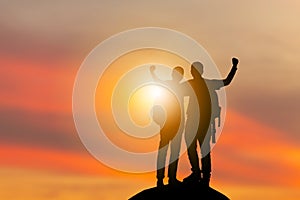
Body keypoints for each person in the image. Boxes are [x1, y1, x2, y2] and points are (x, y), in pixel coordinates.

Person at [183, 57, 239, 187]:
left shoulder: (206, 84)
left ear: (199, 71)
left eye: (194, 69)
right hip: (193, 120)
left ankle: (204, 177)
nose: (193, 72)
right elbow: (175, 89)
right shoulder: (191, 84)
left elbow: (226, 81)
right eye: (192, 69)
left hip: (203, 122)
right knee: (193, 148)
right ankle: (197, 173)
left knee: (203, 149)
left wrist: (234, 67)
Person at [150, 65, 186, 187]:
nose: (177, 76)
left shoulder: (182, 87)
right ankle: (160, 179)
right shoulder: (168, 85)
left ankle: (172, 178)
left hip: (178, 124)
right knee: (163, 151)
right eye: (175, 73)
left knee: (174, 152)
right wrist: (153, 72)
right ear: (173, 74)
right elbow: (157, 81)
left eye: (179, 74)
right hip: (167, 124)